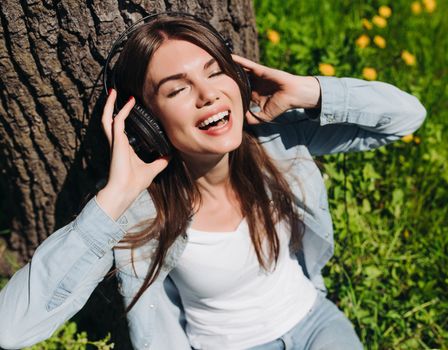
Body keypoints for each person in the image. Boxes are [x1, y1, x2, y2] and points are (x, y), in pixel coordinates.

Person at [0, 15, 426, 350]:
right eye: (177, 90)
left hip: (316, 322)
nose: (208, 95)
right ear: (147, 125)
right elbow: (10, 328)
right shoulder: (138, 210)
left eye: (214, 72)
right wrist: (113, 198)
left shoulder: (276, 139)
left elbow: (407, 117)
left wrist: (308, 91)